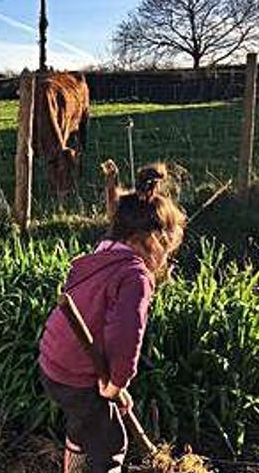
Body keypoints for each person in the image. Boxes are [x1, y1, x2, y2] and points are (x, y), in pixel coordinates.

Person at [38, 161, 186, 473]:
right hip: (79, 374)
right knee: (111, 443)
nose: (163, 260)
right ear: (151, 240)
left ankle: (74, 468)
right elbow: (124, 336)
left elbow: (96, 321)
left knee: (85, 420)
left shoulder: (100, 255)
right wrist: (117, 381)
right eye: (166, 250)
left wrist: (116, 387)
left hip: (53, 363)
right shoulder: (135, 276)